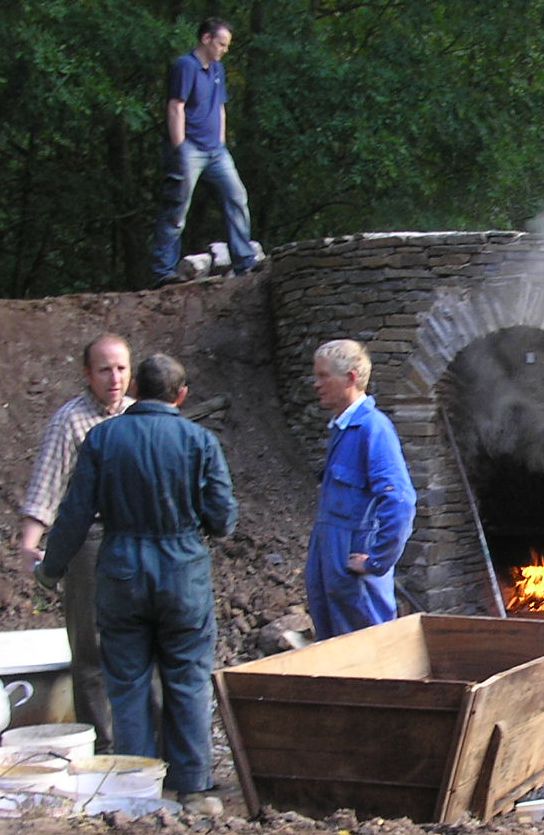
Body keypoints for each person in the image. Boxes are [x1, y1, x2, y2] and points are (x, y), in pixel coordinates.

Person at [36, 354, 237, 812]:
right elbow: (223, 519)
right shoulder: (199, 440)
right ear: (181, 396)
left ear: (137, 392)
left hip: (122, 568)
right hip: (182, 570)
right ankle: (194, 787)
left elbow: (74, 515)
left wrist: (51, 569)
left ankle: (138, 786)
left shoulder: (103, 438)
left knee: (126, 681)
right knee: (186, 677)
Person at [19, 333, 133, 754]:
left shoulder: (139, 417)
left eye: (121, 368)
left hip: (135, 539)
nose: (114, 377)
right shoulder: (70, 421)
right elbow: (47, 484)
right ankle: (101, 745)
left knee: (137, 643)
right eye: (104, 369)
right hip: (87, 540)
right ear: (88, 375)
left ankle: (143, 742)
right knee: (89, 647)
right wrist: (30, 541)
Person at [306, 339, 416, 640]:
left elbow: (400, 501)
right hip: (332, 563)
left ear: (351, 378)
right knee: (334, 655)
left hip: (354, 571)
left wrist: (378, 561)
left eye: (323, 376)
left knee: (370, 655)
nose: (316, 384)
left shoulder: (373, 429)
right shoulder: (343, 428)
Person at [150, 17, 256, 287]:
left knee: (237, 197)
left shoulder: (217, 69)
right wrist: (179, 147)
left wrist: (220, 142)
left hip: (216, 151)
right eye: (221, 43)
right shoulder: (186, 66)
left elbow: (220, 107)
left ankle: (245, 262)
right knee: (176, 210)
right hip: (190, 149)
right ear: (206, 39)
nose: (224, 49)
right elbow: (176, 107)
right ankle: (164, 272)